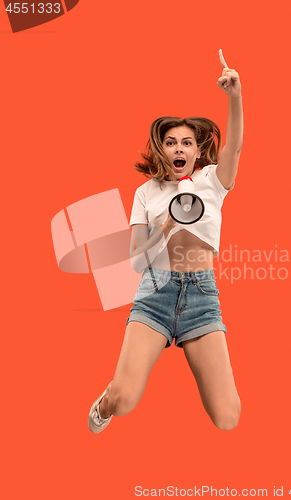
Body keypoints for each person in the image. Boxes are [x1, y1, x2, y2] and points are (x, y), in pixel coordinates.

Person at [88, 49, 244, 433]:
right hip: (155, 292)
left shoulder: (212, 181)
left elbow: (235, 147)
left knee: (228, 418)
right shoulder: (146, 192)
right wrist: (168, 227)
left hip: (201, 295)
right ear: (162, 149)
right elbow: (137, 261)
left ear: (197, 150)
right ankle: (105, 402)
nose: (180, 149)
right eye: (172, 142)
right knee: (123, 400)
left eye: (187, 143)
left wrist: (235, 96)